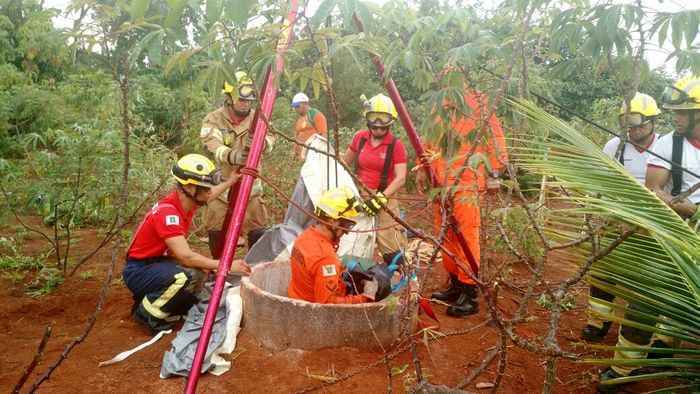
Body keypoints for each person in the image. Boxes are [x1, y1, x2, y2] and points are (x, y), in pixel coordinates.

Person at [598, 76, 700, 387]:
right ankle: (623, 369)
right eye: (675, 112)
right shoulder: (670, 144)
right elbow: (655, 192)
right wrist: (692, 211)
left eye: (683, 112)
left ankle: (664, 347)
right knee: (646, 300)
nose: (676, 117)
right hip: (671, 232)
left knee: (682, 298)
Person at [123, 154, 251, 333]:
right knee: (180, 277)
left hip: (154, 263)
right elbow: (185, 256)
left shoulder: (185, 202)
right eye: (205, 188)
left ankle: (156, 299)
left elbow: (210, 195)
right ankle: (146, 314)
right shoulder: (168, 214)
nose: (209, 192)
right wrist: (226, 265)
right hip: (138, 270)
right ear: (190, 187)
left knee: (197, 274)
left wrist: (231, 181)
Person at [419, 85, 508, 318]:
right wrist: (422, 170)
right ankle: (455, 285)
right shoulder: (438, 105)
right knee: (445, 237)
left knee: (467, 237)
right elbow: (427, 140)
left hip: (467, 183)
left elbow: (495, 137)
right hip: (440, 184)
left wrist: (495, 173)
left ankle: (470, 294)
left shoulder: (480, 104)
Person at [582, 93, 661, 342]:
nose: (634, 130)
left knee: (645, 283)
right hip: (614, 220)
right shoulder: (614, 146)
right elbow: (599, 181)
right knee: (603, 272)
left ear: (653, 122)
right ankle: (598, 320)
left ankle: (648, 334)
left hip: (648, 227)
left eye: (640, 124)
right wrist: (596, 214)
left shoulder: (664, 148)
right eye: (629, 124)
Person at [200, 71, 272, 258]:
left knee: (258, 232)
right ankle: (220, 267)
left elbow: (270, 139)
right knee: (217, 230)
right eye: (241, 99)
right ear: (229, 98)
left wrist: (259, 145)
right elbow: (211, 143)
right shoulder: (213, 118)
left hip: (251, 189)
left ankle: (254, 269)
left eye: (249, 100)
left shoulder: (259, 118)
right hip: (222, 187)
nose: (245, 104)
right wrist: (233, 155)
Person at [342, 94, 408, 265]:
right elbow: (343, 163)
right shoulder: (360, 138)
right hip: (360, 194)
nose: (378, 128)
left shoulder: (396, 145)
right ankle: (356, 276)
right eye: (374, 124)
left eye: (383, 125)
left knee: (390, 242)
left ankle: (406, 279)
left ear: (390, 122)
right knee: (355, 238)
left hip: (386, 196)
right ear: (368, 120)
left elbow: (401, 177)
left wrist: (382, 197)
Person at [288, 187, 380, 304]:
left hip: (297, 297)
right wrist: (364, 298)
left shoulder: (305, 236)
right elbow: (328, 304)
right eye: (346, 224)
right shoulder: (326, 258)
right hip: (313, 312)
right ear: (332, 221)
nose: (347, 231)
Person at [291, 92, 328, 160]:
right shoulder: (299, 119)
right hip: (301, 158)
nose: (295, 109)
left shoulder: (316, 115)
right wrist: (294, 152)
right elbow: (296, 138)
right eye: (294, 107)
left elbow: (323, 136)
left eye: (297, 106)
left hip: (313, 157)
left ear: (305, 104)